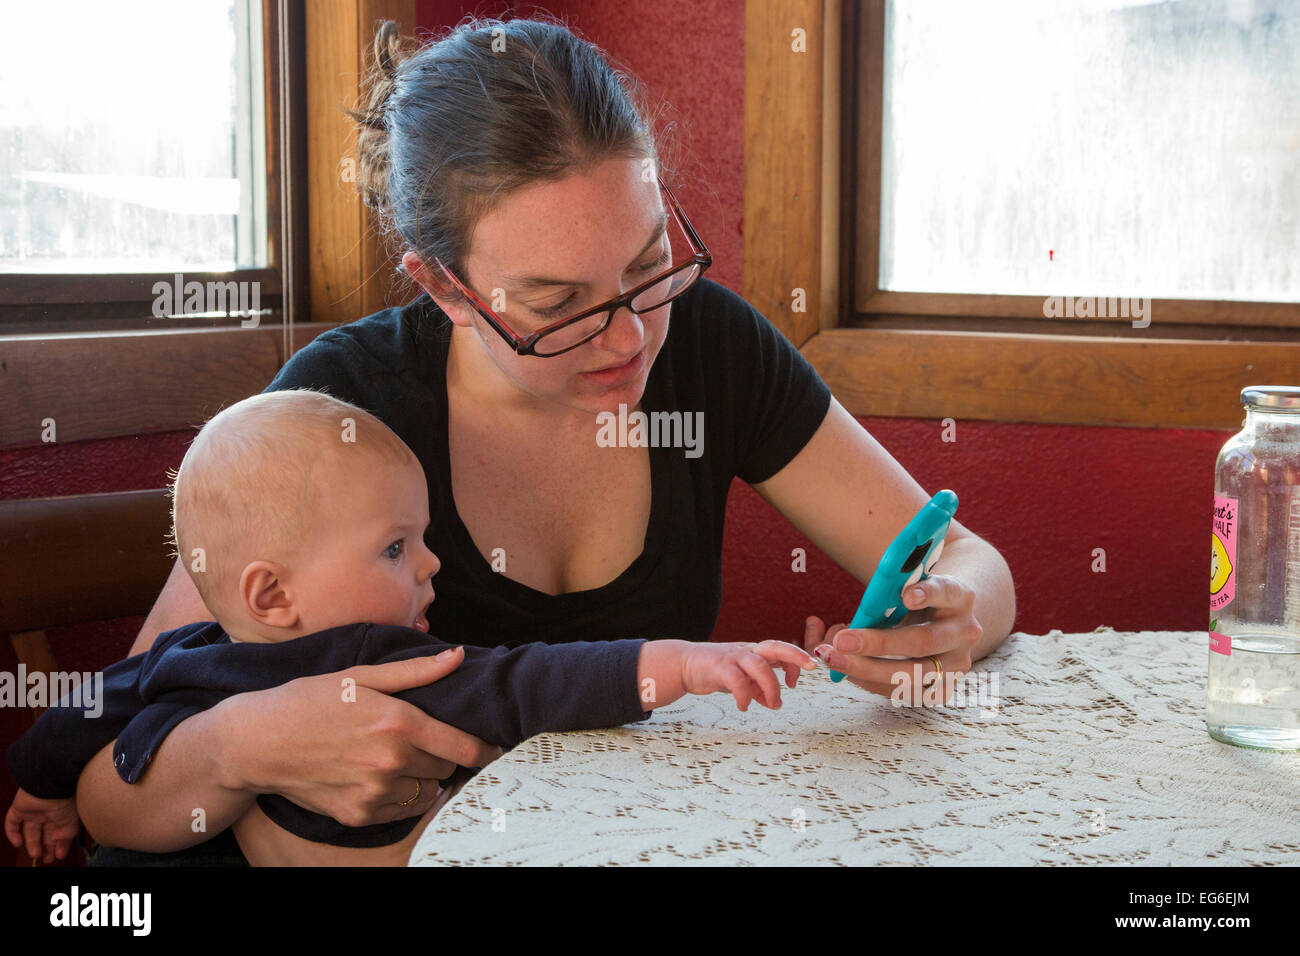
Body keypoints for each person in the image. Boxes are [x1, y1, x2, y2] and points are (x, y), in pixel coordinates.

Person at [72, 15, 1015, 865]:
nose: (629, 336)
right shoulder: (337, 411)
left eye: (649, 266)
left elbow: (966, 557)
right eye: (558, 305)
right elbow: (108, 795)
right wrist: (244, 744)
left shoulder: (713, 344)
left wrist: (949, 618)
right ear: (444, 288)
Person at [7, 391, 817, 865]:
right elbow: (532, 681)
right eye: (397, 548)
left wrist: (40, 788)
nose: (432, 568)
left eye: (421, 540)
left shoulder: (178, 660)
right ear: (272, 594)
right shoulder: (376, 660)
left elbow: (82, 711)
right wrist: (682, 663)